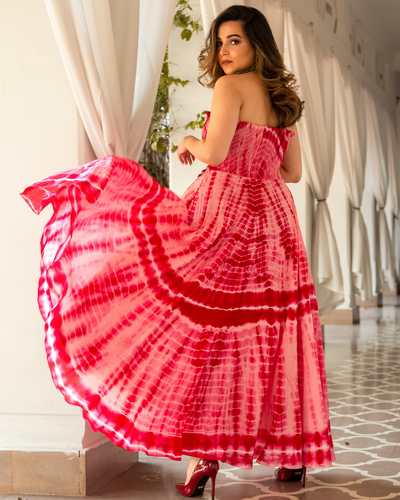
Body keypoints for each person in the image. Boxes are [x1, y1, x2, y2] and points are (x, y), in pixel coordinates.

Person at [21, 5, 335, 500]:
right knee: (274, 332)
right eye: (221, 42)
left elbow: (213, 153)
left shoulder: (231, 88)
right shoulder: (284, 98)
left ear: (257, 44)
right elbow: (291, 173)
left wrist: (191, 138)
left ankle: (201, 457)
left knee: (205, 333)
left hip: (226, 212)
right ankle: (291, 456)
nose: (225, 52)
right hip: (275, 222)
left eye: (235, 41)